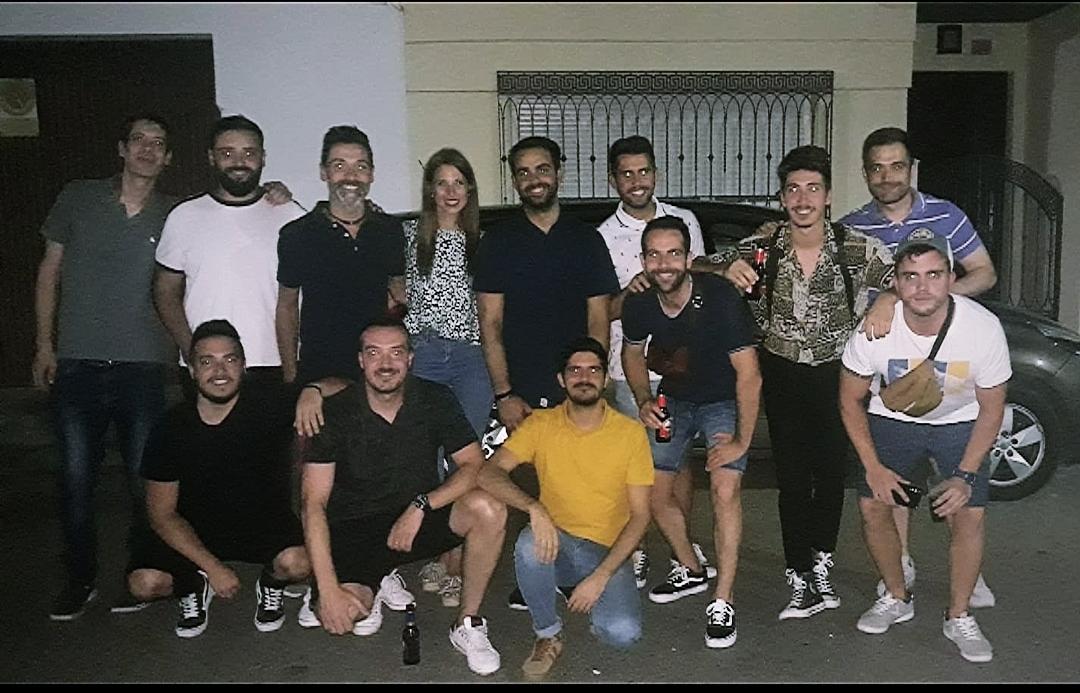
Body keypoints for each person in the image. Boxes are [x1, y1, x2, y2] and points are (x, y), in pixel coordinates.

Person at [720, 145, 894, 622]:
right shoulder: (764, 245)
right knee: (792, 477)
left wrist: (889, 298)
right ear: (782, 198)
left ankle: (821, 563)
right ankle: (798, 574)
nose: (803, 199)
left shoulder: (854, 246)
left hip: (839, 374)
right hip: (781, 370)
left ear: (828, 197)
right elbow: (697, 264)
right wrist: (722, 268)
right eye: (793, 189)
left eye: (812, 189)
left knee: (831, 474)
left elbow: (915, 275)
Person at [839, 126, 997, 607]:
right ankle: (900, 561)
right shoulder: (853, 226)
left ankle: (966, 573)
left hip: (949, 355)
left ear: (913, 169)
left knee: (958, 471)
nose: (887, 176)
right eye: (877, 168)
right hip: (889, 361)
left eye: (896, 166)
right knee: (895, 471)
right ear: (866, 173)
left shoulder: (945, 215)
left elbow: (984, 273)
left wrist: (920, 302)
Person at [299, 318, 507, 677]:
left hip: (413, 519)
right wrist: (329, 587)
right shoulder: (334, 413)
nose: (385, 363)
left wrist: (422, 505)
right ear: (361, 361)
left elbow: (474, 464)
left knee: (488, 508)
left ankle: (468, 624)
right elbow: (313, 504)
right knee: (346, 616)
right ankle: (373, 580)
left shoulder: (434, 398)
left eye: (396, 352)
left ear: (410, 359)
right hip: (354, 528)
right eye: (374, 353)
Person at [839, 230, 1009, 663]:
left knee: (968, 515)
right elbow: (849, 400)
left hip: (960, 422)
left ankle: (959, 615)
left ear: (951, 277)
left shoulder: (982, 329)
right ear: (894, 283)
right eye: (910, 276)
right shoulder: (875, 329)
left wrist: (967, 475)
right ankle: (897, 595)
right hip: (892, 421)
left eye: (934, 275)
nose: (922, 287)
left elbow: (992, 409)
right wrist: (872, 466)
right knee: (873, 506)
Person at [33, 114, 178, 620]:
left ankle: (141, 575)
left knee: (146, 481)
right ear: (122, 148)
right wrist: (44, 345)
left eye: (157, 144)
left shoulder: (172, 215)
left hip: (144, 367)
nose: (146, 150)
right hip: (77, 363)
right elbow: (49, 270)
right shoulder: (78, 198)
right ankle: (80, 579)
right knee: (76, 479)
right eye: (138, 139)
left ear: (168, 157)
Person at [472, 135, 620, 609]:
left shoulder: (586, 240)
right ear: (514, 179)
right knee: (528, 489)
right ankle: (534, 574)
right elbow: (489, 324)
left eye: (542, 169)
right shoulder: (500, 242)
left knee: (581, 486)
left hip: (578, 386)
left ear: (559, 170)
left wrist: (592, 386)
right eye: (523, 172)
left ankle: (579, 571)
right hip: (522, 388)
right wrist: (504, 393)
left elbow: (599, 320)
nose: (534, 179)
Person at [622, 216, 762, 649]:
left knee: (725, 488)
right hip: (675, 401)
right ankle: (692, 567)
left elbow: (749, 376)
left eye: (673, 253)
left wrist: (741, 441)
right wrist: (645, 399)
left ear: (688, 258)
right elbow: (631, 354)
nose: (664, 264)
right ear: (643, 259)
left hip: (722, 402)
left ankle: (723, 600)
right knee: (650, 492)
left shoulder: (719, 297)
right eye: (654, 254)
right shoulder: (639, 300)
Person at [477, 337, 653, 676]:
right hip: (556, 541)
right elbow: (489, 472)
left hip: (607, 551)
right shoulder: (541, 424)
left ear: (605, 379)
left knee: (621, 634)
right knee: (529, 543)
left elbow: (641, 515)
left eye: (593, 370)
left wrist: (601, 577)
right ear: (561, 379)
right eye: (574, 370)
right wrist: (534, 508)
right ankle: (548, 633)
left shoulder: (629, 434)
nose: (583, 377)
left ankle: (561, 582)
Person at [124, 320, 310, 638]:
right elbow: (161, 514)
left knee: (300, 564)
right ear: (192, 370)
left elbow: (342, 387)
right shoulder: (171, 427)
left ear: (244, 366)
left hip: (259, 524)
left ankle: (270, 583)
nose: (219, 371)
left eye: (230, 359)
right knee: (143, 584)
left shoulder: (270, 409)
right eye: (207, 362)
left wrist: (314, 392)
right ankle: (195, 584)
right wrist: (213, 568)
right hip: (193, 530)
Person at [597, 135, 716, 591]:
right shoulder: (603, 237)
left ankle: (679, 549)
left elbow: (700, 279)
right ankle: (637, 548)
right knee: (633, 467)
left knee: (676, 464)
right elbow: (602, 310)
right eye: (626, 174)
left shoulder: (683, 221)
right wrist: (631, 291)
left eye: (643, 171)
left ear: (655, 174)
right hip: (630, 370)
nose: (636, 181)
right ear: (614, 181)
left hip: (684, 365)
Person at [153, 115, 305, 389]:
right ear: (211, 157)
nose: (239, 162)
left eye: (249, 153)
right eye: (227, 153)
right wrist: (193, 353)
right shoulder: (184, 217)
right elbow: (165, 293)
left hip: (276, 366)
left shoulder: (291, 215)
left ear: (263, 157)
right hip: (207, 367)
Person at [403, 148, 492, 609]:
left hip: (470, 358)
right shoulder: (408, 235)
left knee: (465, 459)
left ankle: (456, 563)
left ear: (470, 189)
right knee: (428, 458)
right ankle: (437, 552)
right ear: (430, 189)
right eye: (443, 182)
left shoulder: (484, 240)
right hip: (424, 356)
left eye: (460, 182)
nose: (451, 191)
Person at [276, 125, 406, 384]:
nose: (351, 176)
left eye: (361, 166)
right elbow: (287, 307)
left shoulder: (390, 230)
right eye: (339, 166)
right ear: (323, 172)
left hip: (378, 369)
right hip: (321, 372)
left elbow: (398, 292)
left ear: (371, 175)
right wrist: (291, 375)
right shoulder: (297, 235)